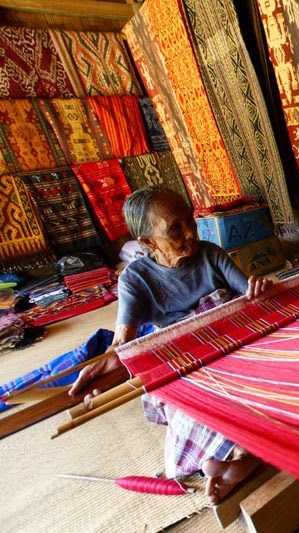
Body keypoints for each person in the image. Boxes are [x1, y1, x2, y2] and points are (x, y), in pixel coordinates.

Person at [69, 186, 271, 504]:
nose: (191, 232)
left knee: (271, 382)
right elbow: (124, 342)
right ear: (148, 241)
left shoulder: (210, 254)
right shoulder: (135, 278)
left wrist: (259, 288)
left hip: (236, 347)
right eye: (175, 229)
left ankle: (243, 457)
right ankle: (242, 456)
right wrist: (111, 360)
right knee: (204, 407)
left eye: (189, 219)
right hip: (187, 364)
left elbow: (250, 295)